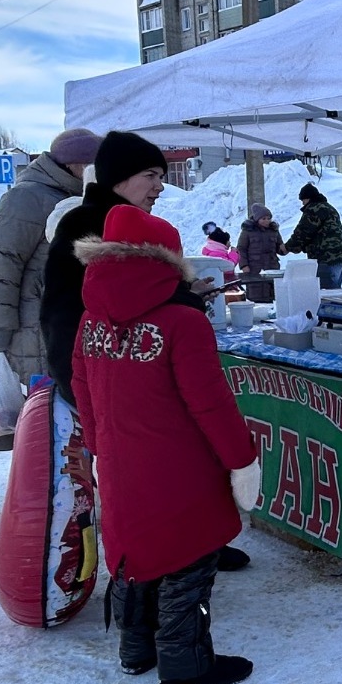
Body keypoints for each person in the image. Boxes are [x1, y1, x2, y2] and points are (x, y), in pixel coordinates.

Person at [40, 130, 251, 574]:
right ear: (118, 178)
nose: (159, 186)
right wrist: (82, 385)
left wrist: (181, 295)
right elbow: (82, 309)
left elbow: (135, 299)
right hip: (110, 375)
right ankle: (178, 564)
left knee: (156, 476)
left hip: (116, 371)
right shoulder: (90, 225)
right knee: (160, 473)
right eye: (150, 176)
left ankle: (186, 553)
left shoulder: (120, 221)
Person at [72, 204, 259, 684]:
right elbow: (211, 404)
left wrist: (97, 447)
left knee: (134, 555)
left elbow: (81, 387)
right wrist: (241, 460)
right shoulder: (182, 321)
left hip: (119, 464)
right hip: (180, 468)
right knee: (188, 559)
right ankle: (185, 665)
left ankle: (135, 649)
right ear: (168, 263)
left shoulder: (90, 320)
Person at [0, 128, 100, 386]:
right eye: (94, 165)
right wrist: (1, 326)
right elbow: (2, 264)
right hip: (34, 320)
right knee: (44, 395)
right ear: (74, 164)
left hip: (63, 314)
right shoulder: (28, 196)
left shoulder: (74, 195)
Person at [284, 183, 342, 289]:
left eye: (303, 200)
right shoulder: (329, 208)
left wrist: (287, 248)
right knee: (334, 290)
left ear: (308, 198)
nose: (302, 203)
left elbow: (303, 232)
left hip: (326, 257)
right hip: (340, 255)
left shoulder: (314, 209)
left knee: (325, 291)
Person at [236, 203, 285, 303]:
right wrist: (244, 265)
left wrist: (285, 249)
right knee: (256, 293)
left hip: (272, 267)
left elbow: (279, 247)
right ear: (257, 219)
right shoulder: (248, 231)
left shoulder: (274, 230)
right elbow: (241, 249)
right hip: (254, 268)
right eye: (263, 219)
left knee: (273, 293)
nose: (267, 221)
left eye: (268, 218)